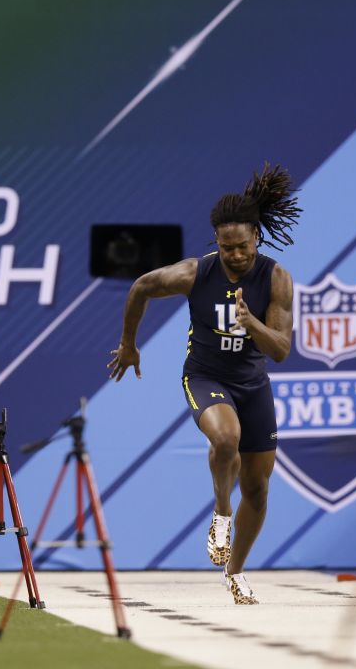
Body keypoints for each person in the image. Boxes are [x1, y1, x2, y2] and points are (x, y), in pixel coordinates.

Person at [107, 163, 301, 605]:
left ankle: (235, 573)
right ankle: (221, 512)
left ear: (257, 236)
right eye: (226, 247)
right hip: (205, 376)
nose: (235, 256)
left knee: (258, 486)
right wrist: (129, 344)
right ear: (216, 241)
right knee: (226, 437)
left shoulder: (276, 279)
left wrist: (250, 322)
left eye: (243, 247)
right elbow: (140, 286)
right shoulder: (196, 273)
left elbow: (280, 351)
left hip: (253, 384)